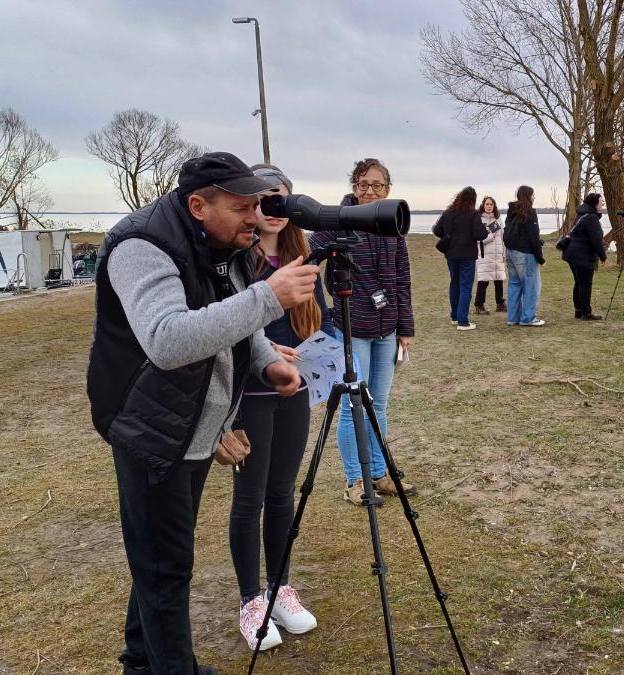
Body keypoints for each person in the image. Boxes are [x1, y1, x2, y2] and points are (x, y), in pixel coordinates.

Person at [87, 151, 320, 675]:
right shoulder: (141, 246)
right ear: (198, 205)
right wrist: (268, 298)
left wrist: (265, 363)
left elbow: (231, 320)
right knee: (166, 569)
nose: (255, 217)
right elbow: (167, 340)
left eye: (257, 205)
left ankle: (141, 663)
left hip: (193, 424)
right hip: (151, 427)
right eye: (242, 207)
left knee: (158, 560)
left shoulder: (224, 243)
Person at [227, 163, 331, 652]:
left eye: (281, 197)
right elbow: (221, 325)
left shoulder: (301, 256)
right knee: (249, 498)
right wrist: (265, 351)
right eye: (263, 197)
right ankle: (251, 601)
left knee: (283, 493)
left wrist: (318, 351)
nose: (273, 207)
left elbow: (320, 318)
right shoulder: (234, 261)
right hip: (248, 395)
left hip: (296, 392)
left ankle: (279, 588)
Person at [309, 158, 416, 507]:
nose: (370, 190)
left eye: (377, 184)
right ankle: (355, 479)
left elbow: (402, 280)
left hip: (387, 329)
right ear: (354, 187)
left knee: (378, 404)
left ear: (387, 189)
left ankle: (380, 472)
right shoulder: (338, 222)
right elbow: (306, 255)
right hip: (351, 329)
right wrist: (321, 310)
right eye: (363, 184)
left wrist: (405, 327)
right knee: (353, 406)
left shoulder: (393, 225)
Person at [432, 186, 488, 331]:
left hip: (451, 254)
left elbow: (437, 230)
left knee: (455, 284)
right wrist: (485, 230)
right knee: (465, 287)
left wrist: (448, 235)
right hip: (467, 255)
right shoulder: (473, 214)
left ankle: (455, 316)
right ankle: (463, 321)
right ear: (473, 200)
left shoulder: (448, 213)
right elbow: (479, 234)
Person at [502, 185, 546, 327]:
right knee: (531, 286)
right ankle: (528, 318)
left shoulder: (511, 211)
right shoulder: (530, 212)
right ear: (528, 196)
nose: (534, 197)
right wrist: (540, 258)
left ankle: (513, 317)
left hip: (511, 252)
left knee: (514, 285)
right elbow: (533, 237)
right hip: (525, 254)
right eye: (533, 195)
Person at [561, 192, 608, 320]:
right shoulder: (591, 218)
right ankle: (586, 313)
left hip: (572, 254)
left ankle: (579, 311)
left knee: (579, 283)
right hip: (582, 255)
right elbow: (596, 240)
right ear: (594, 203)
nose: (603, 204)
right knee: (585, 284)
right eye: (601, 202)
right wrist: (603, 256)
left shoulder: (582, 214)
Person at [474, 196, 506, 315]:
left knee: (499, 279)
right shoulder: (478, 220)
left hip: (498, 254)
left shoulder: (499, 220)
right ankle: (479, 305)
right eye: (487, 204)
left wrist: (504, 252)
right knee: (484, 280)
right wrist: (490, 237)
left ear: (494, 206)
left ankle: (500, 304)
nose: (489, 206)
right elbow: (477, 239)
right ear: (483, 205)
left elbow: (503, 238)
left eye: (491, 204)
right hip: (485, 255)